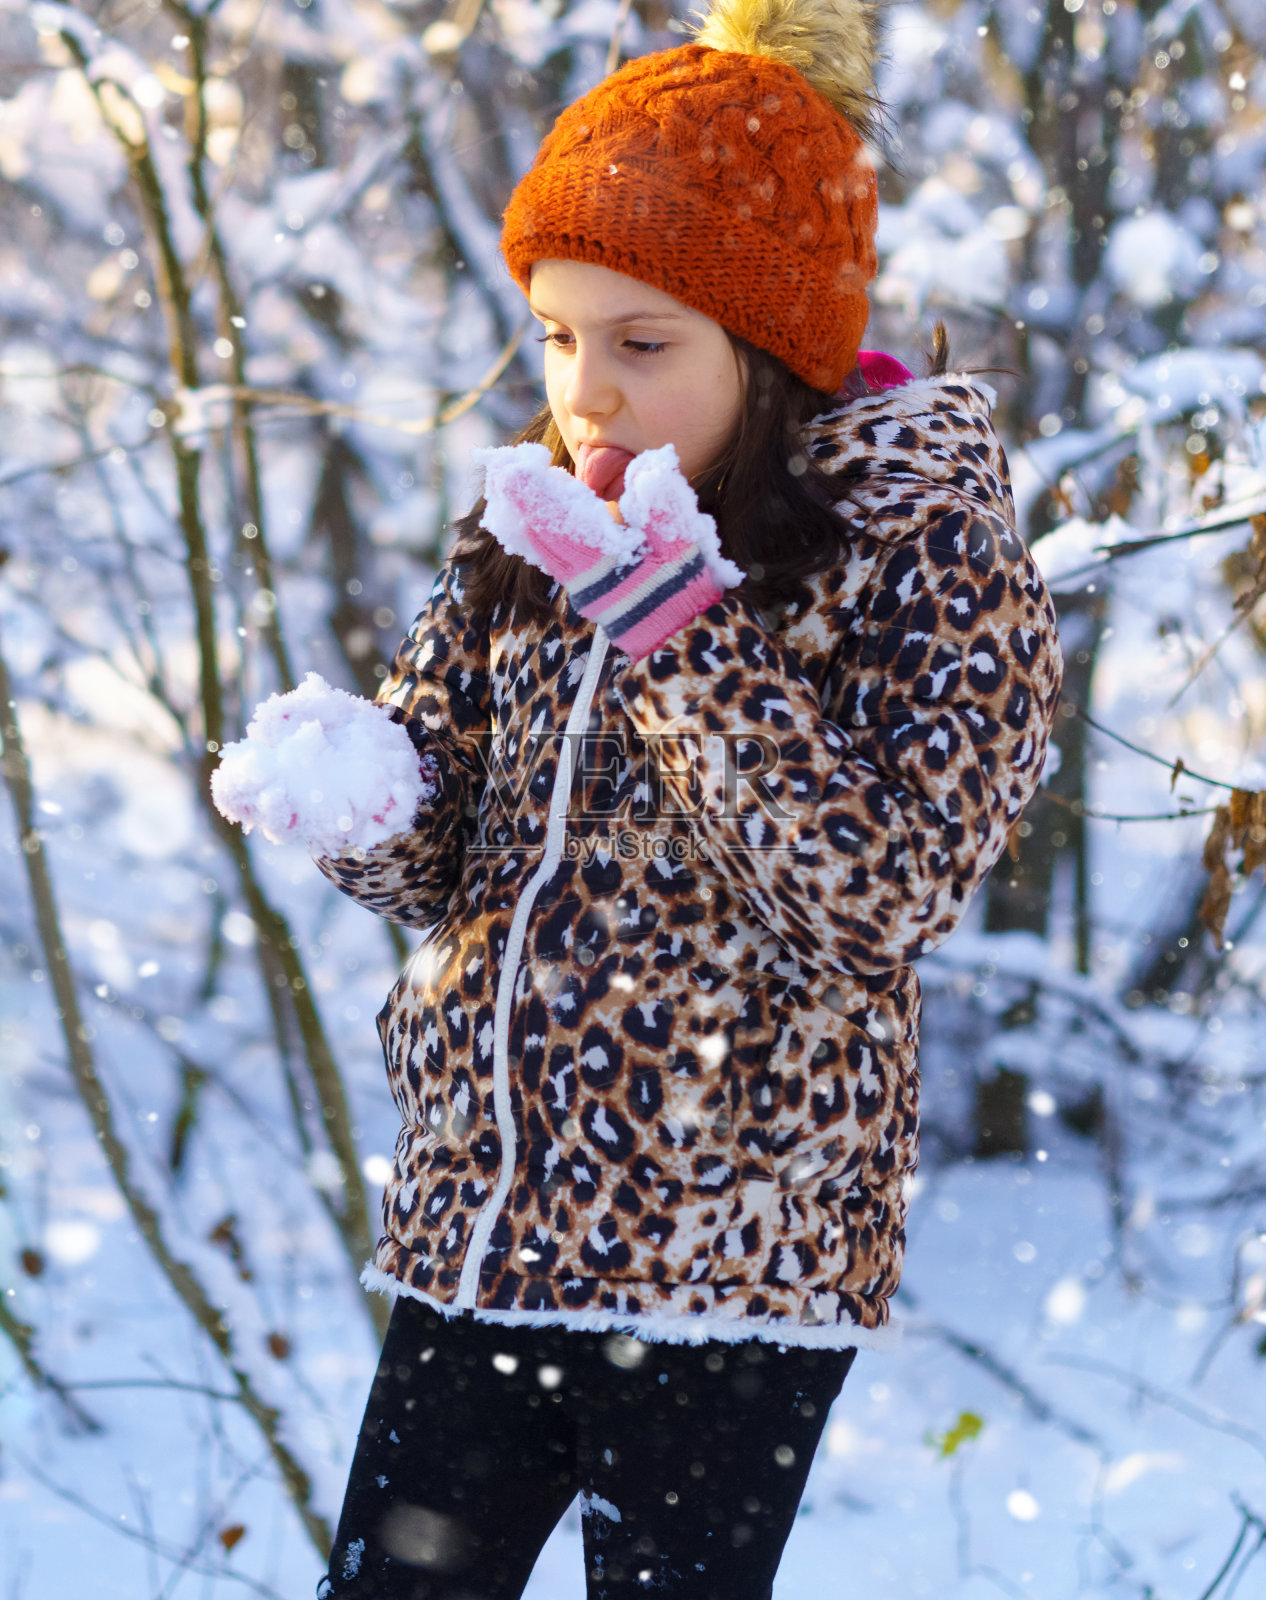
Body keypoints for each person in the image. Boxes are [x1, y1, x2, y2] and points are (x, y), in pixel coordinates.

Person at [212, 0, 1064, 1594]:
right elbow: (453, 852)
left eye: (640, 343)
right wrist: (367, 805)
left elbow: (876, 896)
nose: (583, 391)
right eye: (555, 335)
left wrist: (678, 627)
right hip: (486, 1229)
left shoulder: (923, 555)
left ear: (774, 345)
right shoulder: (525, 531)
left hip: (727, 1261)